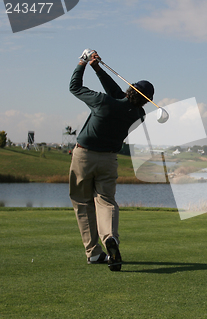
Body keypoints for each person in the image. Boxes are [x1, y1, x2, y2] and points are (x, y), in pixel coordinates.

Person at [69, 49, 154, 271]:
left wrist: (82, 63)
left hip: (84, 156)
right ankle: (110, 239)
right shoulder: (139, 115)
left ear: (130, 89)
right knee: (105, 201)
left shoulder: (103, 101)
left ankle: (94, 253)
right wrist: (97, 69)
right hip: (109, 161)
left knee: (82, 202)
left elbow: (74, 88)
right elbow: (120, 97)